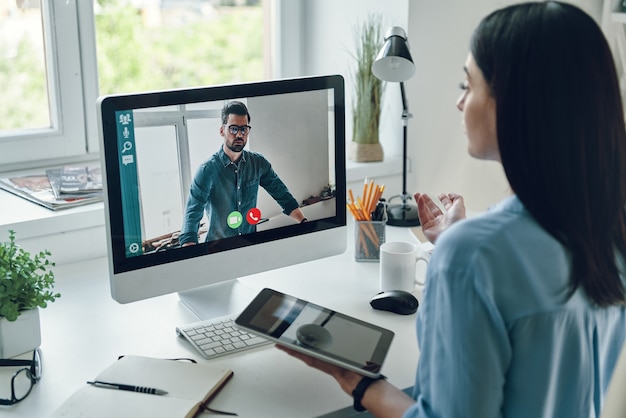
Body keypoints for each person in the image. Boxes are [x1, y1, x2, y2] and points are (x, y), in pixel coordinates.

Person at [279, 2, 626, 417]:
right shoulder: (609, 231)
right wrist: (455, 243)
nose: (459, 103)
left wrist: (357, 382)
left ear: (515, 103)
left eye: (468, 85)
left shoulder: (473, 256)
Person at [179, 101, 306, 245]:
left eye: (244, 129)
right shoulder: (207, 170)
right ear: (222, 130)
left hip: (249, 246)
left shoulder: (258, 163)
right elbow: (192, 214)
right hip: (218, 251)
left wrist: (304, 222)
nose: (239, 134)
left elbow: (282, 194)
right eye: (233, 129)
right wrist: (190, 251)